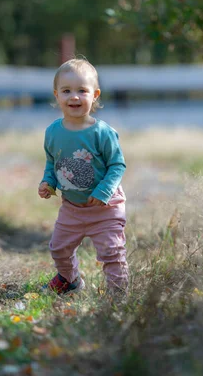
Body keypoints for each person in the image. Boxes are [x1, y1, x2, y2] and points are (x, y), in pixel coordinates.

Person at [38, 58, 128, 296]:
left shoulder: (102, 132)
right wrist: (48, 182)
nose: (74, 97)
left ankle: (118, 295)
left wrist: (103, 191)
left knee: (112, 252)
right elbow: (52, 162)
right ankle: (70, 280)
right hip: (73, 207)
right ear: (56, 95)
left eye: (82, 91)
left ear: (95, 95)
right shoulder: (53, 132)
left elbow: (117, 165)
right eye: (66, 91)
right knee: (58, 248)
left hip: (105, 208)